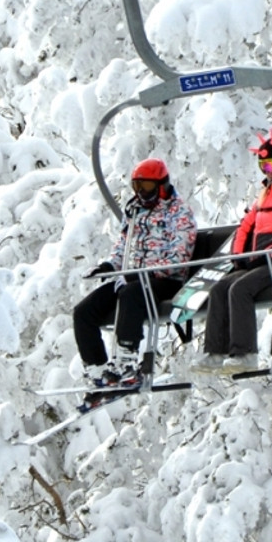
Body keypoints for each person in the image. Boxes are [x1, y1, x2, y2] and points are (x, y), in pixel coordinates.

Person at [193, 129, 272, 375]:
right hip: (264, 263)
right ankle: (215, 352)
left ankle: (245, 354)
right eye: (263, 167)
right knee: (220, 287)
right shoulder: (267, 194)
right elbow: (245, 227)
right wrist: (240, 258)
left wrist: (269, 254)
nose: (269, 172)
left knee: (240, 289)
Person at [73, 158, 197, 389]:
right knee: (84, 311)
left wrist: (144, 273)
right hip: (133, 278)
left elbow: (180, 255)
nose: (141, 193)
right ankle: (97, 369)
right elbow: (123, 247)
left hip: (166, 279)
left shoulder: (178, 212)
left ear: (161, 185)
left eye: (147, 187)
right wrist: (110, 266)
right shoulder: (135, 211)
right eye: (137, 187)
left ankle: (126, 362)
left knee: (131, 293)